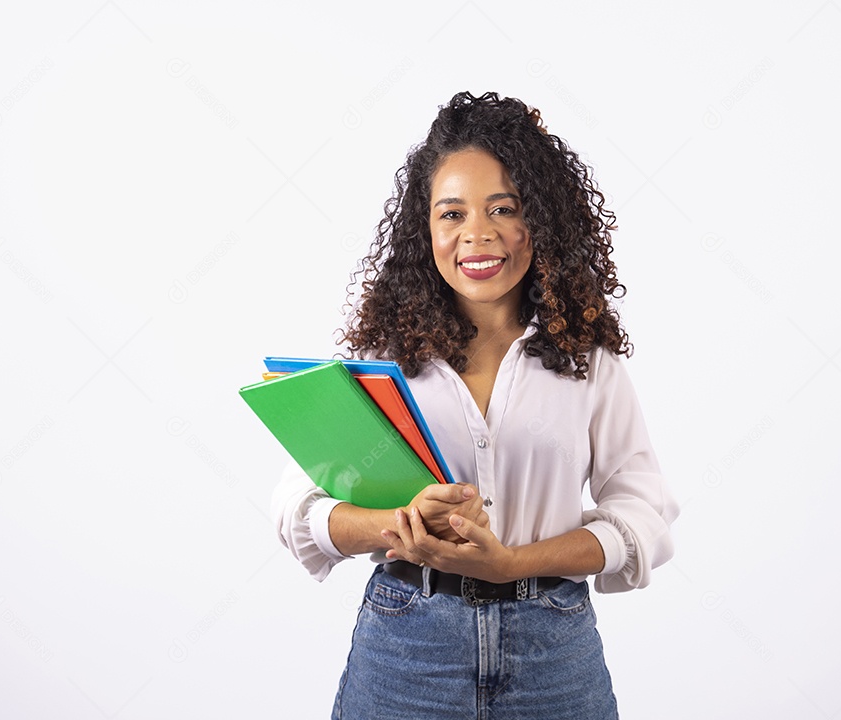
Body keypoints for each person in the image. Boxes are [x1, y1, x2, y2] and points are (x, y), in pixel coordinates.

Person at [270, 91, 680, 719]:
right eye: (452, 214)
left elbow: (641, 513)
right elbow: (301, 507)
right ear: (425, 229)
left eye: (503, 209)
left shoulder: (585, 357)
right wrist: (396, 522)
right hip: (408, 650)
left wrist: (512, 563)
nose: (477, 235)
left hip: (554, 655)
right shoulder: (382, 357)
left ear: (539, 221)